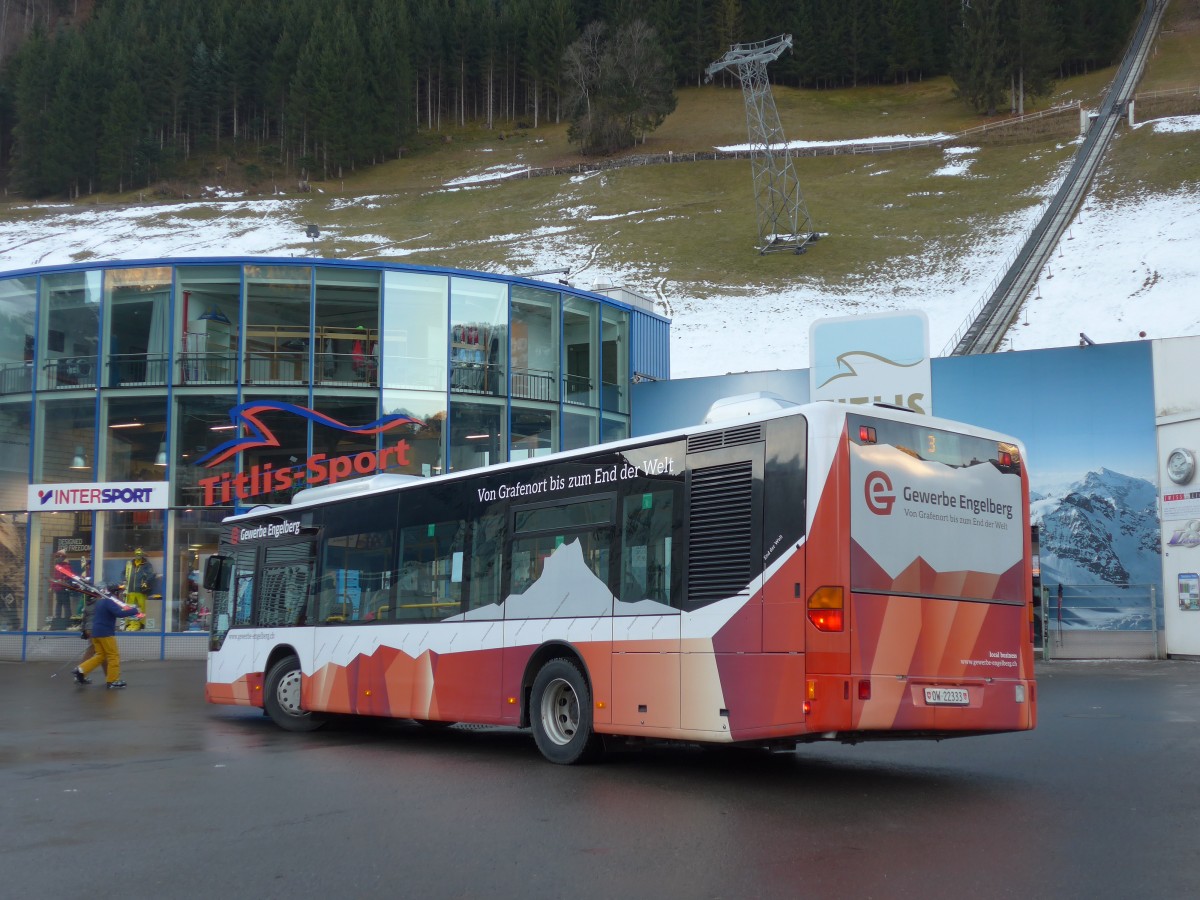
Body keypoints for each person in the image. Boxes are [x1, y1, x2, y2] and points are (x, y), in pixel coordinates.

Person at [73, 587, 143, 688]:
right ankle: (113, 681)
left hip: (96, 633)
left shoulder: (100, 602)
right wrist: (135, 610)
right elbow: (119, 613)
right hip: (106, 633)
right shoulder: (109, 602)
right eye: (119, 593)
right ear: (115, 593)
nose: (120, 595)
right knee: (113, 656)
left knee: (100, 656)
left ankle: (81, 670)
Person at [123, 548, 155, 631]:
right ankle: (130, 623)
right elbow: (124, 573)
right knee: (129, 607)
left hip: (140, 590)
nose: (138, 556)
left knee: (141, 607)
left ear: (142, 555)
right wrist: (124, 581)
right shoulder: (130, 564)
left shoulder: (146, 564)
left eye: (140, 554)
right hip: (130, 590)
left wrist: (146, 582)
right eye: (137, 554)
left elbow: (151, 575)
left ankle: (141, 623)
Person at [49, 549, 76, 628]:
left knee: (65, 605)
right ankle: (58, 619)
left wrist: (62, 579)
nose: (57, 558)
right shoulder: (58, 567)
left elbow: (69, 575)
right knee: (59, 604)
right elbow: (55, 577)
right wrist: (52, 586)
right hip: (58, 588)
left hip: (63, 588)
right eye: (57, 556)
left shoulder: (65, 566)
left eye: (59, 556)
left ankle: (68, 621)